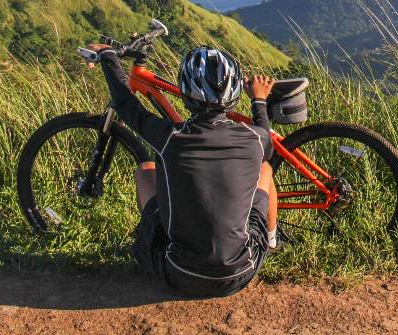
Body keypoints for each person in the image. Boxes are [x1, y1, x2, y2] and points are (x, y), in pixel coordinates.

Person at [87, 42, 279, 297]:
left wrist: (108, 55)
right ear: (233, 94)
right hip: (240, 273)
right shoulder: (255, 139)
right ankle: (272, 240)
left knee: (145, 171)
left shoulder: (169, 137)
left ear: (186, 94)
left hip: (180, 274)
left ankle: (150, 242)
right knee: (264, 169)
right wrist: (258, 99)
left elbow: (124, 102)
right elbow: (265, 135)